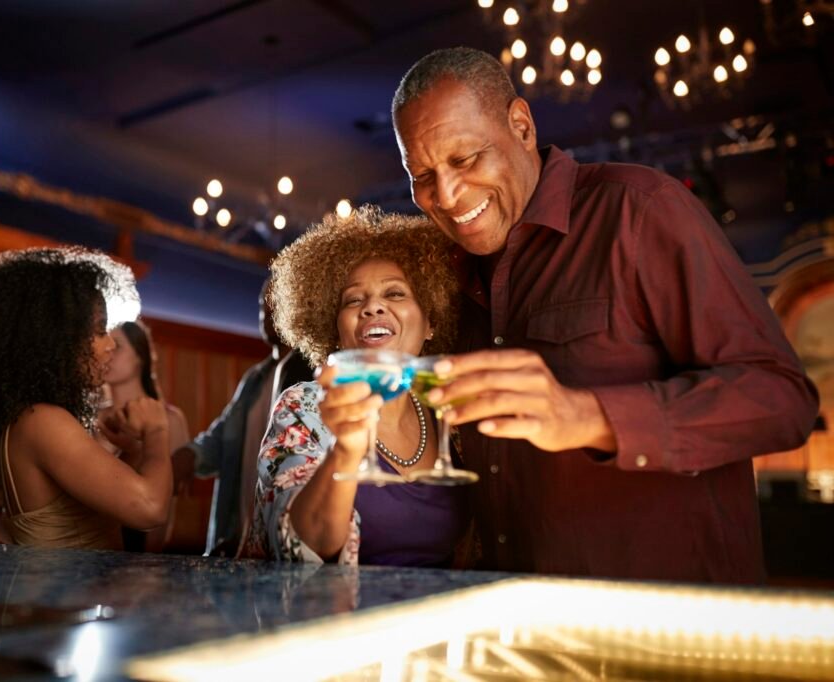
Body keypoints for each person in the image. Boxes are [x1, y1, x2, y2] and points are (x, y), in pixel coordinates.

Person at [390, 46, 819, 583]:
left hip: (672, 633)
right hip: (521, 632)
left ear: (521, 125)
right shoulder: (444, 276)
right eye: (421, 174)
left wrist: (587, 415)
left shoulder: (640, 210)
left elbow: (782, 399)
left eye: (464, 159)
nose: (446, 196)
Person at [251, 206, 471, 566]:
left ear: (431, 321)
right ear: (334, 332)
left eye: (396, 294)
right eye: (354, 299)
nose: (372, 307)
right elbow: (297, 548)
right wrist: (346, 451)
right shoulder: (304, 407)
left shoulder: (451, 415)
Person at [0, 247, 172, 550]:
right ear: (54, 340)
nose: (109, 345)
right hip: (58, 596)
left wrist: (130, 450)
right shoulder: (43, 420)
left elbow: (109, 508)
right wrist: (158, 431)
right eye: (98, 330)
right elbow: (149, 508)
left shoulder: (36, 416)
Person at [172, 279, 312, 557]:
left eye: (275, 302)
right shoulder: (254, 379)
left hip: (284, 533)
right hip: (238, 530)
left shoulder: (310, 372)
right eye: (262, 305)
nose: (265, 311)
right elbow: (222, 436)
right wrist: (188, 456)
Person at [101, 320, 190, 551]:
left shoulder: (169, 419)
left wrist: (151, 557)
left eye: (117, 346)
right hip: (95, 542)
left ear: (140, 355)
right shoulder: (94, 418)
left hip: (143, 547)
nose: (108, 351)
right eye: (105, 343)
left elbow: (168, 496)